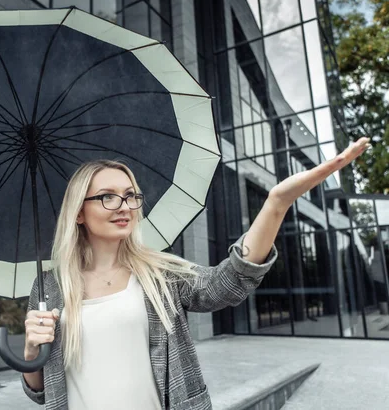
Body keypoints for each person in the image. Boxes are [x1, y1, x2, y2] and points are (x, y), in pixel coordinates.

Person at [20, 138, 370, 410]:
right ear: (79, 212)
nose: (124, 206)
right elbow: (39, 392)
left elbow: (227, 284)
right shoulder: (49, 286)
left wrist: (276, 203)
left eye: (130, 196)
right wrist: (31, 349)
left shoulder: (161, 274)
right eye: (107, 197)